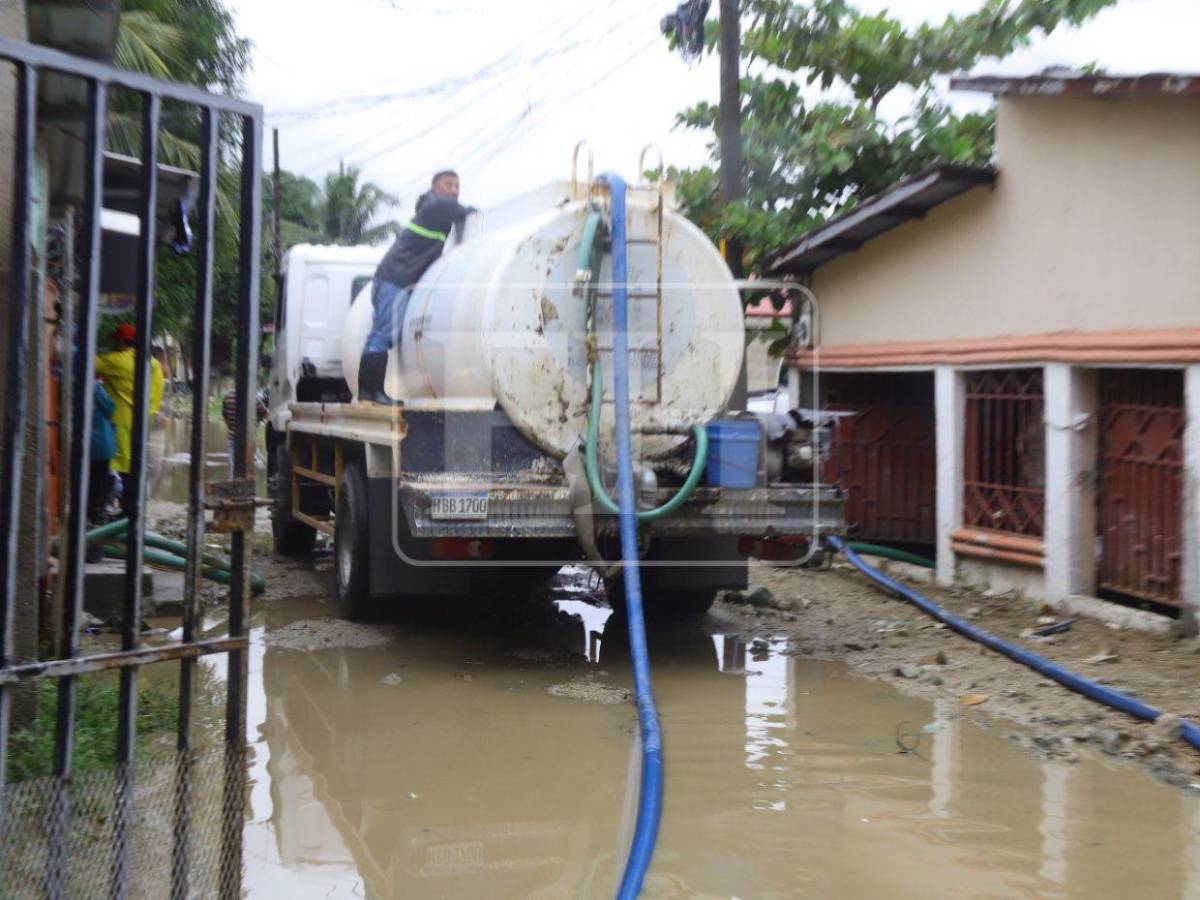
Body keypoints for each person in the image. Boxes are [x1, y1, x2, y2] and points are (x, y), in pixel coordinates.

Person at [357, 170, 474, 404]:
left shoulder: (432, 207)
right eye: (448, 185)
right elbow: (469, 213)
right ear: (435, 187)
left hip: (392, 277)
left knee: (379, 334)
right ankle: (374, 392)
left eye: (457, 186)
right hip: (395, 279)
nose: (454, 190)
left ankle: (367, 392)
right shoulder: (437, 207)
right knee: (385, 333)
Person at [94, 322, 165, 515]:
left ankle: (124, 510)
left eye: (116, 341)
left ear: (122, 341)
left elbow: (89, 361)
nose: (114, 345)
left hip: (120, 421)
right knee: (133, 464)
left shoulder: (118, 361)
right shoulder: (153, 363)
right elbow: (157, 390)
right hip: (141, 421)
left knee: (118, 467)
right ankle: (131, 509)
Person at [87, 379, 117, 523]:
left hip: (79, 444)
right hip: (100, 445)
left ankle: (87, 513)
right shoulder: (95, 387)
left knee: (85, 480)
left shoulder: (67, 382)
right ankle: (96, 514)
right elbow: (110, 408)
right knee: (99, 482)